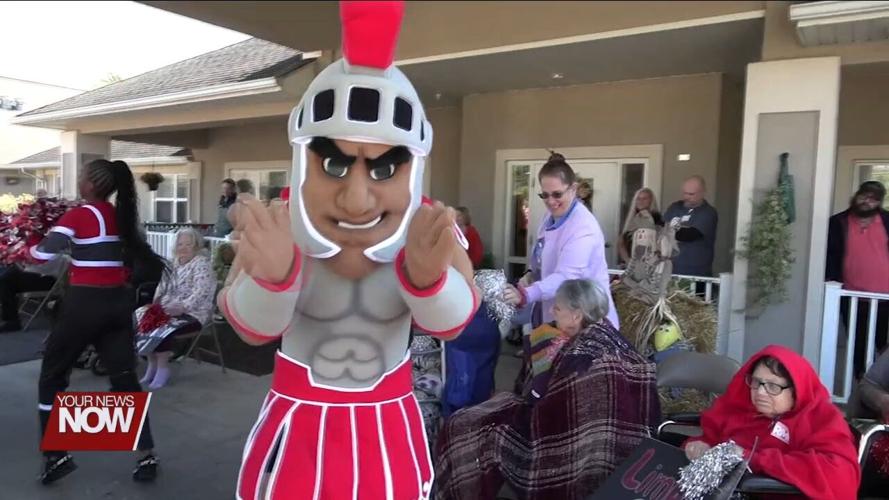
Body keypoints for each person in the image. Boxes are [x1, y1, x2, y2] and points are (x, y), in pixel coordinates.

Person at [219, 3, 478, 498]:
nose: (356, 199)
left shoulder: (424, 226)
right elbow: (249, 327)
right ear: (303, 161)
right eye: (335, 167)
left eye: (383, 170)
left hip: (388, 426)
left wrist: (431, 284)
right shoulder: (280, 223)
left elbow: (457, 322)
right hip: (298, 428)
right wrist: (272, 281)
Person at [435, 280, 659, 499]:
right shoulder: (600, 334)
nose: (552, 311)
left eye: (558, 308)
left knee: (463, 427)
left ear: (577, 315)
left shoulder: (583, 355)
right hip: (615, 440)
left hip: (566, 436)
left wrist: (525, 405)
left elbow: (551, 408)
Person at [29, 159, 166, 484]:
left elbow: (40, 256)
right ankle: (146, 456)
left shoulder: (78, 214)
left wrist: (26, 241)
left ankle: (56, 456)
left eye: (80, 176)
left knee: (52, 377)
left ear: (90, 184)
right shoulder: (121, 217)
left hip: (84, 304)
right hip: (118, 304)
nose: (78, 181)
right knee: (123, 380)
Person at [684, 345, 860, 499]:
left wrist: (752, 458)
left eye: (773, 387)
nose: (760, 392)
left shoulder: (820, 419)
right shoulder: (742, 409)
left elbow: (836, 475)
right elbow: (712, 438)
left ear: (797, 390)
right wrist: (699, 446)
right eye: (756, 382)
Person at [503, 152, 619, 329]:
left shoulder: (583, 227)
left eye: (557, 194)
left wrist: (525, 295)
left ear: (573, 189)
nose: (551, 201)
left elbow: (566, 277)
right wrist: (530, 274)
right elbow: (541, 252)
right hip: (559, 315)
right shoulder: (550, 216)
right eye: (545, 195)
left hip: (587, 320)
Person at [135, 228, 216, 390]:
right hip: (168, 308)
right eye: (180, 244)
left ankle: (163, 368)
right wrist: (154, 305)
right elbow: (162, 287)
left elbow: (201, 291)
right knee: (142, 317)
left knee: (163, 326)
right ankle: (152, 364)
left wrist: (183, 307)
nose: (183, 248)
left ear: (196, 246)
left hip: (193, 312)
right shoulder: (173, 263)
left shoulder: (201, 263)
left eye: (188, 244)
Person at [826, 181, 889, 377]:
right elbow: (830, 255)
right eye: (864, 196)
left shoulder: (887, 221)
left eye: (873, 199)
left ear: (878, 202)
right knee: (857, 342)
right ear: (857, 195)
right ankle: (861, 381)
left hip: (885, 297)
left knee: (881, 342)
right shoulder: (838, 222)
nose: (866, 201)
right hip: (851, 294)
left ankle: (878, 384)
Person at [663, 175, 718, 277]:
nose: (686, 197)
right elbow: (661, 227)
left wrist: (668, 231)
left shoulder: (708, 212)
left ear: (702, 193)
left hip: (696, 273)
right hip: (670, 270)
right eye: (684, 193)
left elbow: (689, 235)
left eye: (691, 194)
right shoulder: (675, 207)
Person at [0, 266, 56, 332]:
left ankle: (12, 321)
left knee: (6, 280)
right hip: (34, 272)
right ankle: (10, 319)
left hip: (47, 277)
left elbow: (45, 266)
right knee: (7, 276)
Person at [618, 187, 664, 266]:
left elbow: (661, 244)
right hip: (631, 265)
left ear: (651, 200)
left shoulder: (657, 219)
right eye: (638, 199)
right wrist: (628, 261)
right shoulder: (632, 218)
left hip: (649, 265)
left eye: (644, 198)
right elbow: (620, 243)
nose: (640, 201)